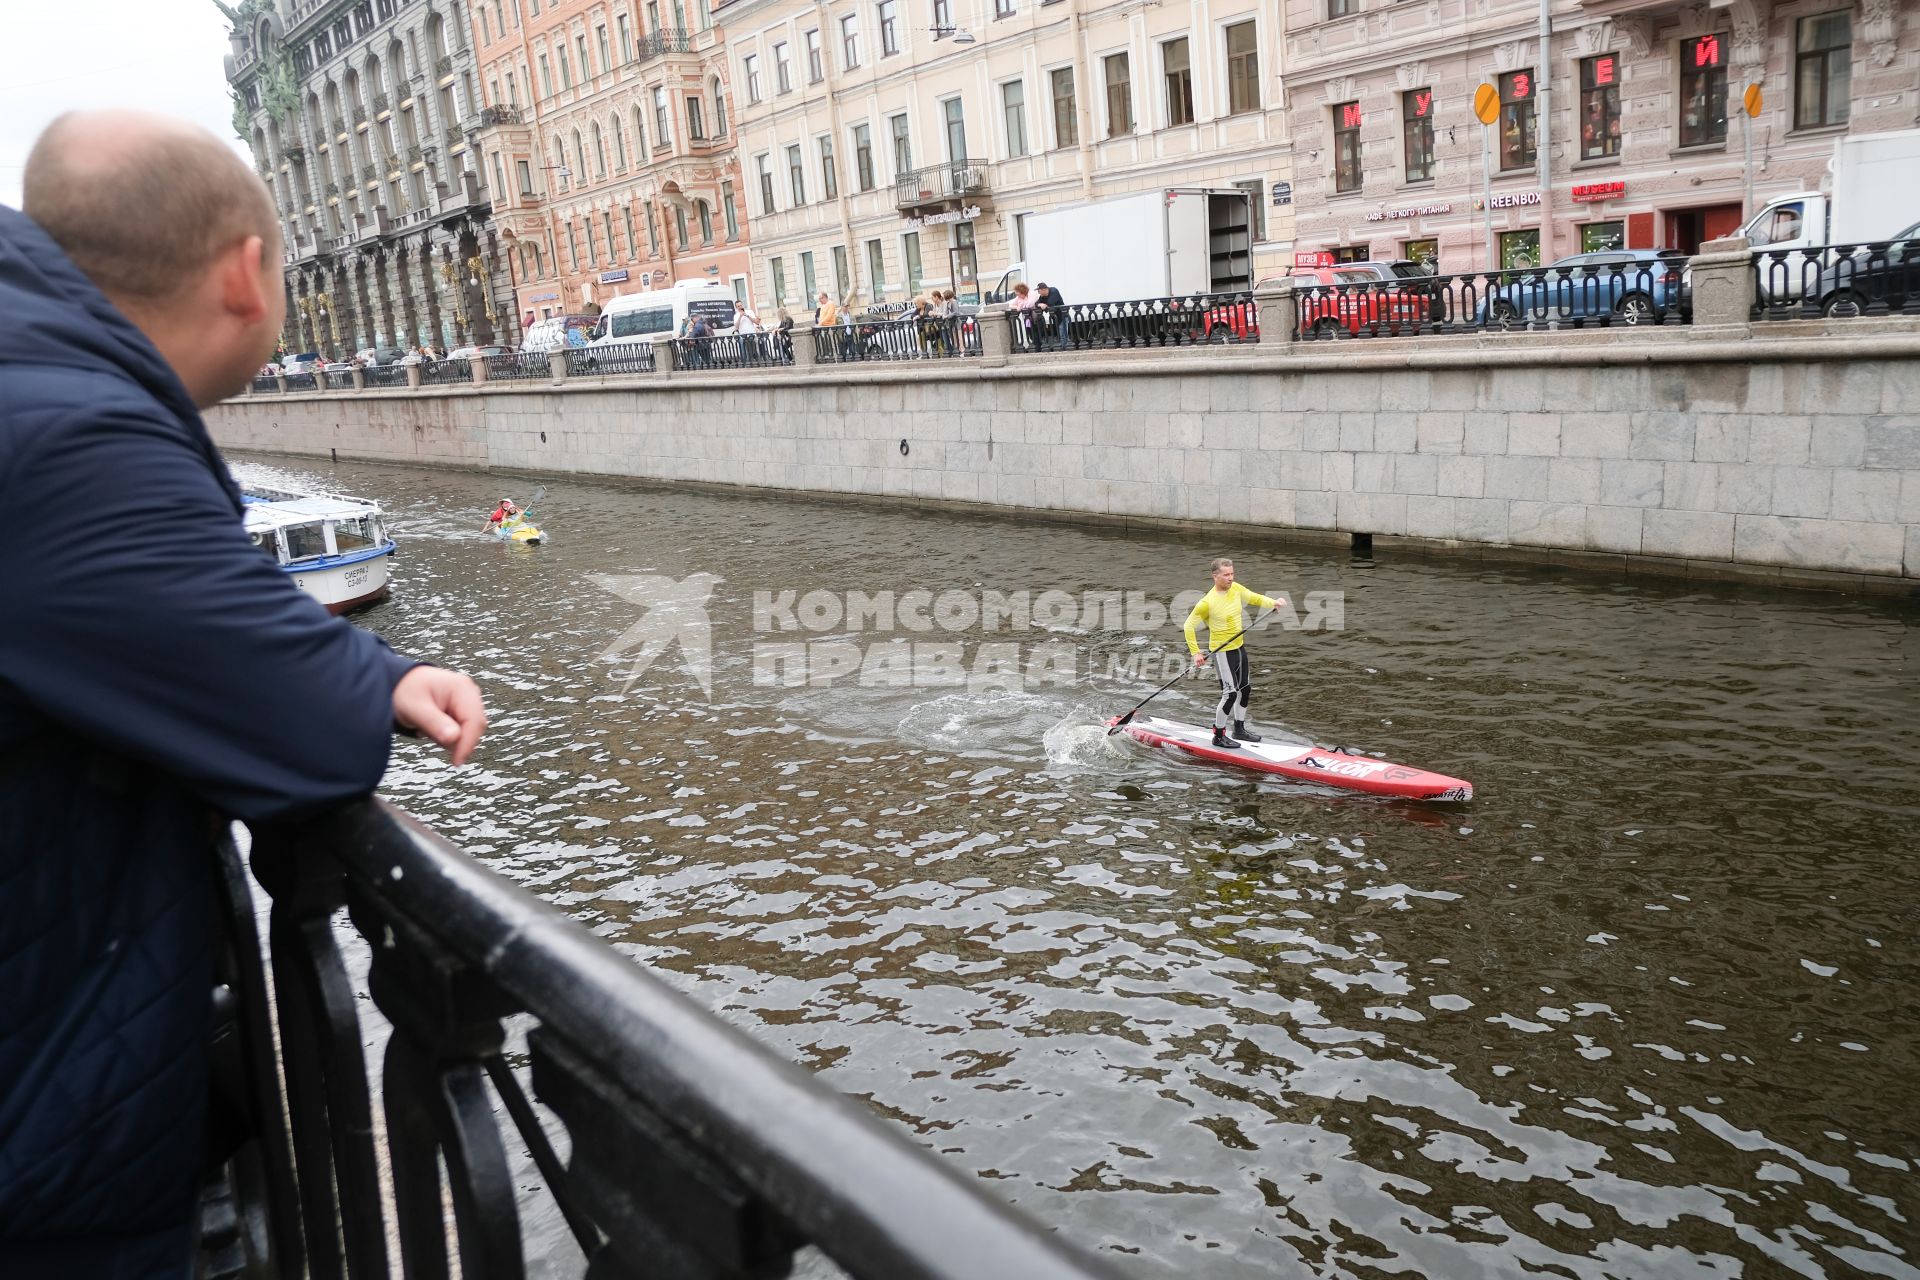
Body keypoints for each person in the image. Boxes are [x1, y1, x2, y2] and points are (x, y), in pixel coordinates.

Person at [1, 110, 488, 1277]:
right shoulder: (69, 435)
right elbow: (301, 731)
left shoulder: (37, 382)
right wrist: (354, 686)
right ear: (245, 274)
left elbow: (179, 620)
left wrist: (383, 666)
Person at [1183, 557, 1287, 750]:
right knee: (1230, 694)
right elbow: (1188, 626)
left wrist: (1274, 602)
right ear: (1215, 576)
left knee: (1245, 689)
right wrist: (1195, 652)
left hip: (1239, 648)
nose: (1231, 578)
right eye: (1226, 575)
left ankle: (1239, 729)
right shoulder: (1207, 602)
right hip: (1222, 652)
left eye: (1232, 573)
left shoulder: (1236, 589)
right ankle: (1219, 735)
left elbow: (1255, 597)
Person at [1036, 281, 1070, 349]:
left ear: (1044, 289)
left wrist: (1045, 304)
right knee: (1059, 334)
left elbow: (1050, 303)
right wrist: (1041, 304)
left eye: (1039, 291)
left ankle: (1065, 349)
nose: (1038, 293)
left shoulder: (1054, 291)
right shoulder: (1043, 296)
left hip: (1062, 316)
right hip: (1055, 318)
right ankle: (1063, 348)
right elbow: (1036, 303)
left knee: (1063, 334)